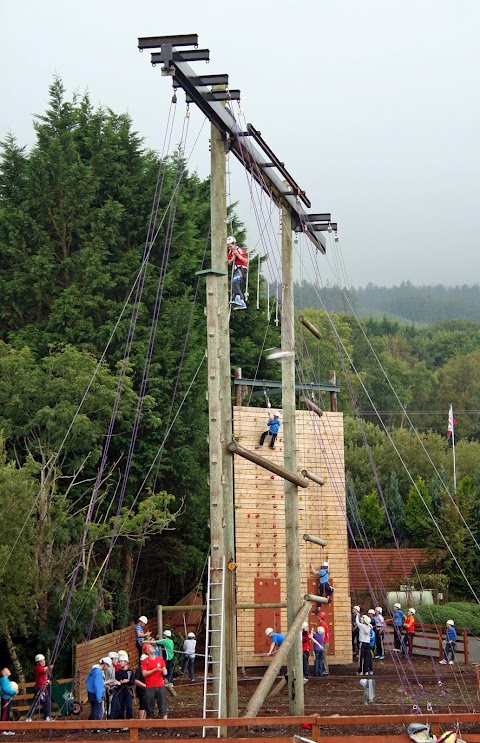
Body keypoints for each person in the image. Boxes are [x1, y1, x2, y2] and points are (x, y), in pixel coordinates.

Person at [141, 643, 168, 720]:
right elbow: (144, 673)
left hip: (160, 685)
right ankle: (150, 723)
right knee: (149, 705)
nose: (152, 647)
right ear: (147, 651)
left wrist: (164, 671)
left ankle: (165, 723)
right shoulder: (145, 661)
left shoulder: (160, 659)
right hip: (150, 686)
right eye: (150, 647)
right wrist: (155, 670)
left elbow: (165, 670)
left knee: (162, 703)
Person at [26, 654, 53, 722]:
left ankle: (47, 716)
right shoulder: (38, 668)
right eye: (41, 661)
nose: (43, 662)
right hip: (39, 688)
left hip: (42, 688)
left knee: (46, 702)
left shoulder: (42, 667)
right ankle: (29, 717)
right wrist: (49, 667)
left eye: (44, 660)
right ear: (38, 662)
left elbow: (46, 673)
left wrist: (47, 680)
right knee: (38, 702)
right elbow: (44, 670)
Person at [85, 657, 112, 721]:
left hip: (91, 693)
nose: (107, 668)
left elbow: (87, 681)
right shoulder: (99, 672)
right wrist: (99, 698)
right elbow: (98, 686)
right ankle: (97, 727)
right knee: (98, 712)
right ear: (104, 664)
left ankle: (92, 727)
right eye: (108, 666)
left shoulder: (92, 671)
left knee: (93, 711)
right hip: (96, 694)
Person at [227, 236, 248, 310]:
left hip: (242, 269)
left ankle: (238, 298)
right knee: (236, 283)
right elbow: (229, 263)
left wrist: (238, 255)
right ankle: (242, 302)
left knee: (235, 282)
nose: (230, 248)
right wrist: (233, 258)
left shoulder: (239, 250)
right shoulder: (230, 252)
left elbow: (245, 260)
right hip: (236, 269)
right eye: (229, 247)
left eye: (231, 246)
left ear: (234, 244)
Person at [114, 651, 134, 721]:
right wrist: (120, 682)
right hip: (120, 691)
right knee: (120, 707)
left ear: (126, 662)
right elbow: (116, 681)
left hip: (128, 691)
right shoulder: (118, 672)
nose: (120, 663)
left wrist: (127, 681)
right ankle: (121, 722)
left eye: (121, 661)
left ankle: (130, 721)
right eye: (119, 661)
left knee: (129, 706)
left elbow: (133, 682)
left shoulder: (130, 672)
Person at [355, 610, 373, 676]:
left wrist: (357, 615)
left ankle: (361, 671)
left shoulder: (362, 626)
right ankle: (366, 671)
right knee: (367, 657)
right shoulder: (369, 627)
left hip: (362, 643)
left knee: (361, 658)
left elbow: (357, 622)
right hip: (368, 643)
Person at [0, 668, 18, 735]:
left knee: (7, 714)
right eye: (7, 670)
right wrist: (13, 692)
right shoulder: (4, 680)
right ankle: (2, 730)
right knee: (4, 714)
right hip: (5, 699)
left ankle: (6, 730)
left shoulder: (6, 680)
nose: (9, 671)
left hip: (7, 698)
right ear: (4, 673)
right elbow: (5, 689)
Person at [134, 654, 148, 721]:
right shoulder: (139, 669)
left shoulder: (146, 669)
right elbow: (136, 680)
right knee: (143, 705)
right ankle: (141, 721)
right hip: (141, 689)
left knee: (146, 705)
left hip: (146, 689)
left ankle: (143, 720)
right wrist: (144, 685)